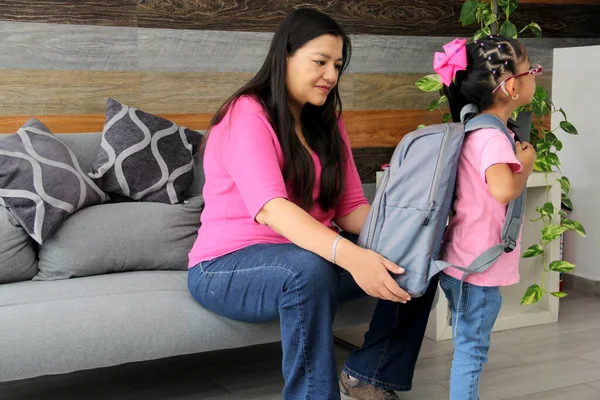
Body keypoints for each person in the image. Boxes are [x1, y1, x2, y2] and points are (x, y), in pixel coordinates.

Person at [187, 8, 438, 400]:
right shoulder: (246, 113)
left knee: (417, 257)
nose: (332, 76)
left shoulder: (328, 121)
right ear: (284, 56)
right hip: (225, 267)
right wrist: (352, 256)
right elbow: (271, 207)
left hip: (310, 260)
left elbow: (351, 206)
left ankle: (369, 375)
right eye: (319, 62)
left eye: (337, 65)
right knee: (308, 267)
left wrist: (411, 235)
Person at [435, 35, 539, 399]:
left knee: (468, 344)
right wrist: (525, 165)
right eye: (532, 71)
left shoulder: (472, 128)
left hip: (461, 262)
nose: (534, 77)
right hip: (477, 270)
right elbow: (503, 190)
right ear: (511, 85)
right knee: (472, 350)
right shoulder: (493, 139)